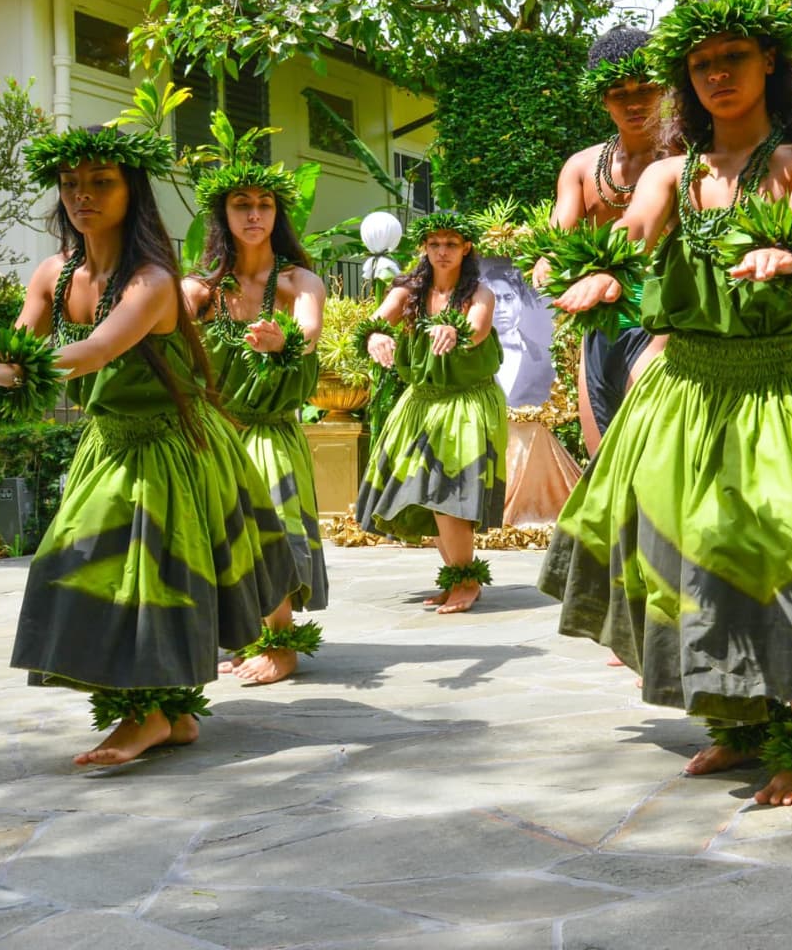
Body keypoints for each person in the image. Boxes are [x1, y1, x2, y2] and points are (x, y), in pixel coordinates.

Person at [538, 0, 792, 806]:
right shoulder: (666, 174)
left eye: (733, 58)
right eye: (701, 64)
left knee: (788, 551)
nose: (718, 74)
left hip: (777, 384)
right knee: (683, 557)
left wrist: (783, 251)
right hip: (683, 389)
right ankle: (743, 722)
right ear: (685, 81)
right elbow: (635, 234)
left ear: (768, 65)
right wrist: (604, 267)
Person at [0, 127, 304, 766]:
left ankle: (149, 714)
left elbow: (91, 352)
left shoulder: (152, 280)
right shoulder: (53, 272)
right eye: (71, 184)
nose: (82, 196)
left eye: (101, 182)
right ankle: (169, 716)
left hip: (171, 445)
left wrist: (6, 373)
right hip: (111, 441)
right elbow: (16, 355)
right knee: (78, 570)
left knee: (152, 580)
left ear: (133, 191)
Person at [183, 158, 328, 685]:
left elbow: (309, 333)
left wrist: (282, 341)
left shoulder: (297, 280)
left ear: (277, 215)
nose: (254, 214)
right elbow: (161, 321)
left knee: (270, 532)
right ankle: (249, 635)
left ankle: (282, 644)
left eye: (265, 205)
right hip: (217, 432)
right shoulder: (201, 288)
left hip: (269, 428)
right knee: (225, 537)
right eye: (242, 204)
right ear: (223, 214)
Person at [355, 212, 507, 614]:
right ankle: (458, 574)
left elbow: (477, 328)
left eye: (451, 244)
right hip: (420, 401)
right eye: (435, 244)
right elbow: (373, 323)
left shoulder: (479, 293)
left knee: (446, 491)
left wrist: (455, 329)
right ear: (424, 248)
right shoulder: (408, 293)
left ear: (466, 248)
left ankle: (466, 580)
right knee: (419, 492)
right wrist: (375, 337)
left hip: (466, 401)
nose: (442, 252)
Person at [533, 27, 669, 455]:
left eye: (645, 89)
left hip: (668, 325)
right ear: (601, 97)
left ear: (665, 88)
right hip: (601, 327)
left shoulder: (692, 161)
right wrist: (548, 262)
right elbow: (558, 239)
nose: (633, 102)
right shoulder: (583, 167)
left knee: (653, 457)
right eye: (617, 92)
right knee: (604, 463)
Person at [480, 260, 556, 407]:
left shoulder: (546, 356)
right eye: (493, 299)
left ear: (520, 301)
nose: (500, 307)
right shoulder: (469, 355)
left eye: (508, 298)